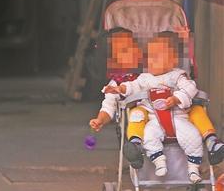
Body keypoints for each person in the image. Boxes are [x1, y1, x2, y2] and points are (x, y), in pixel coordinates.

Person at [89, 33, 224, 175]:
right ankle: (136, 144)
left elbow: (187, 85)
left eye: (134, 45)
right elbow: (114, 101)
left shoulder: (160, 69)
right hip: (149, 116)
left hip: (178, 114)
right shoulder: (126, 80)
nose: (134, 50)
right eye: (125, 50)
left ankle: (211, 142)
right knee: (137, 114)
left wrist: (178, 97)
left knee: (197, 110)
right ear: (113, 61)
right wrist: (100, 119)